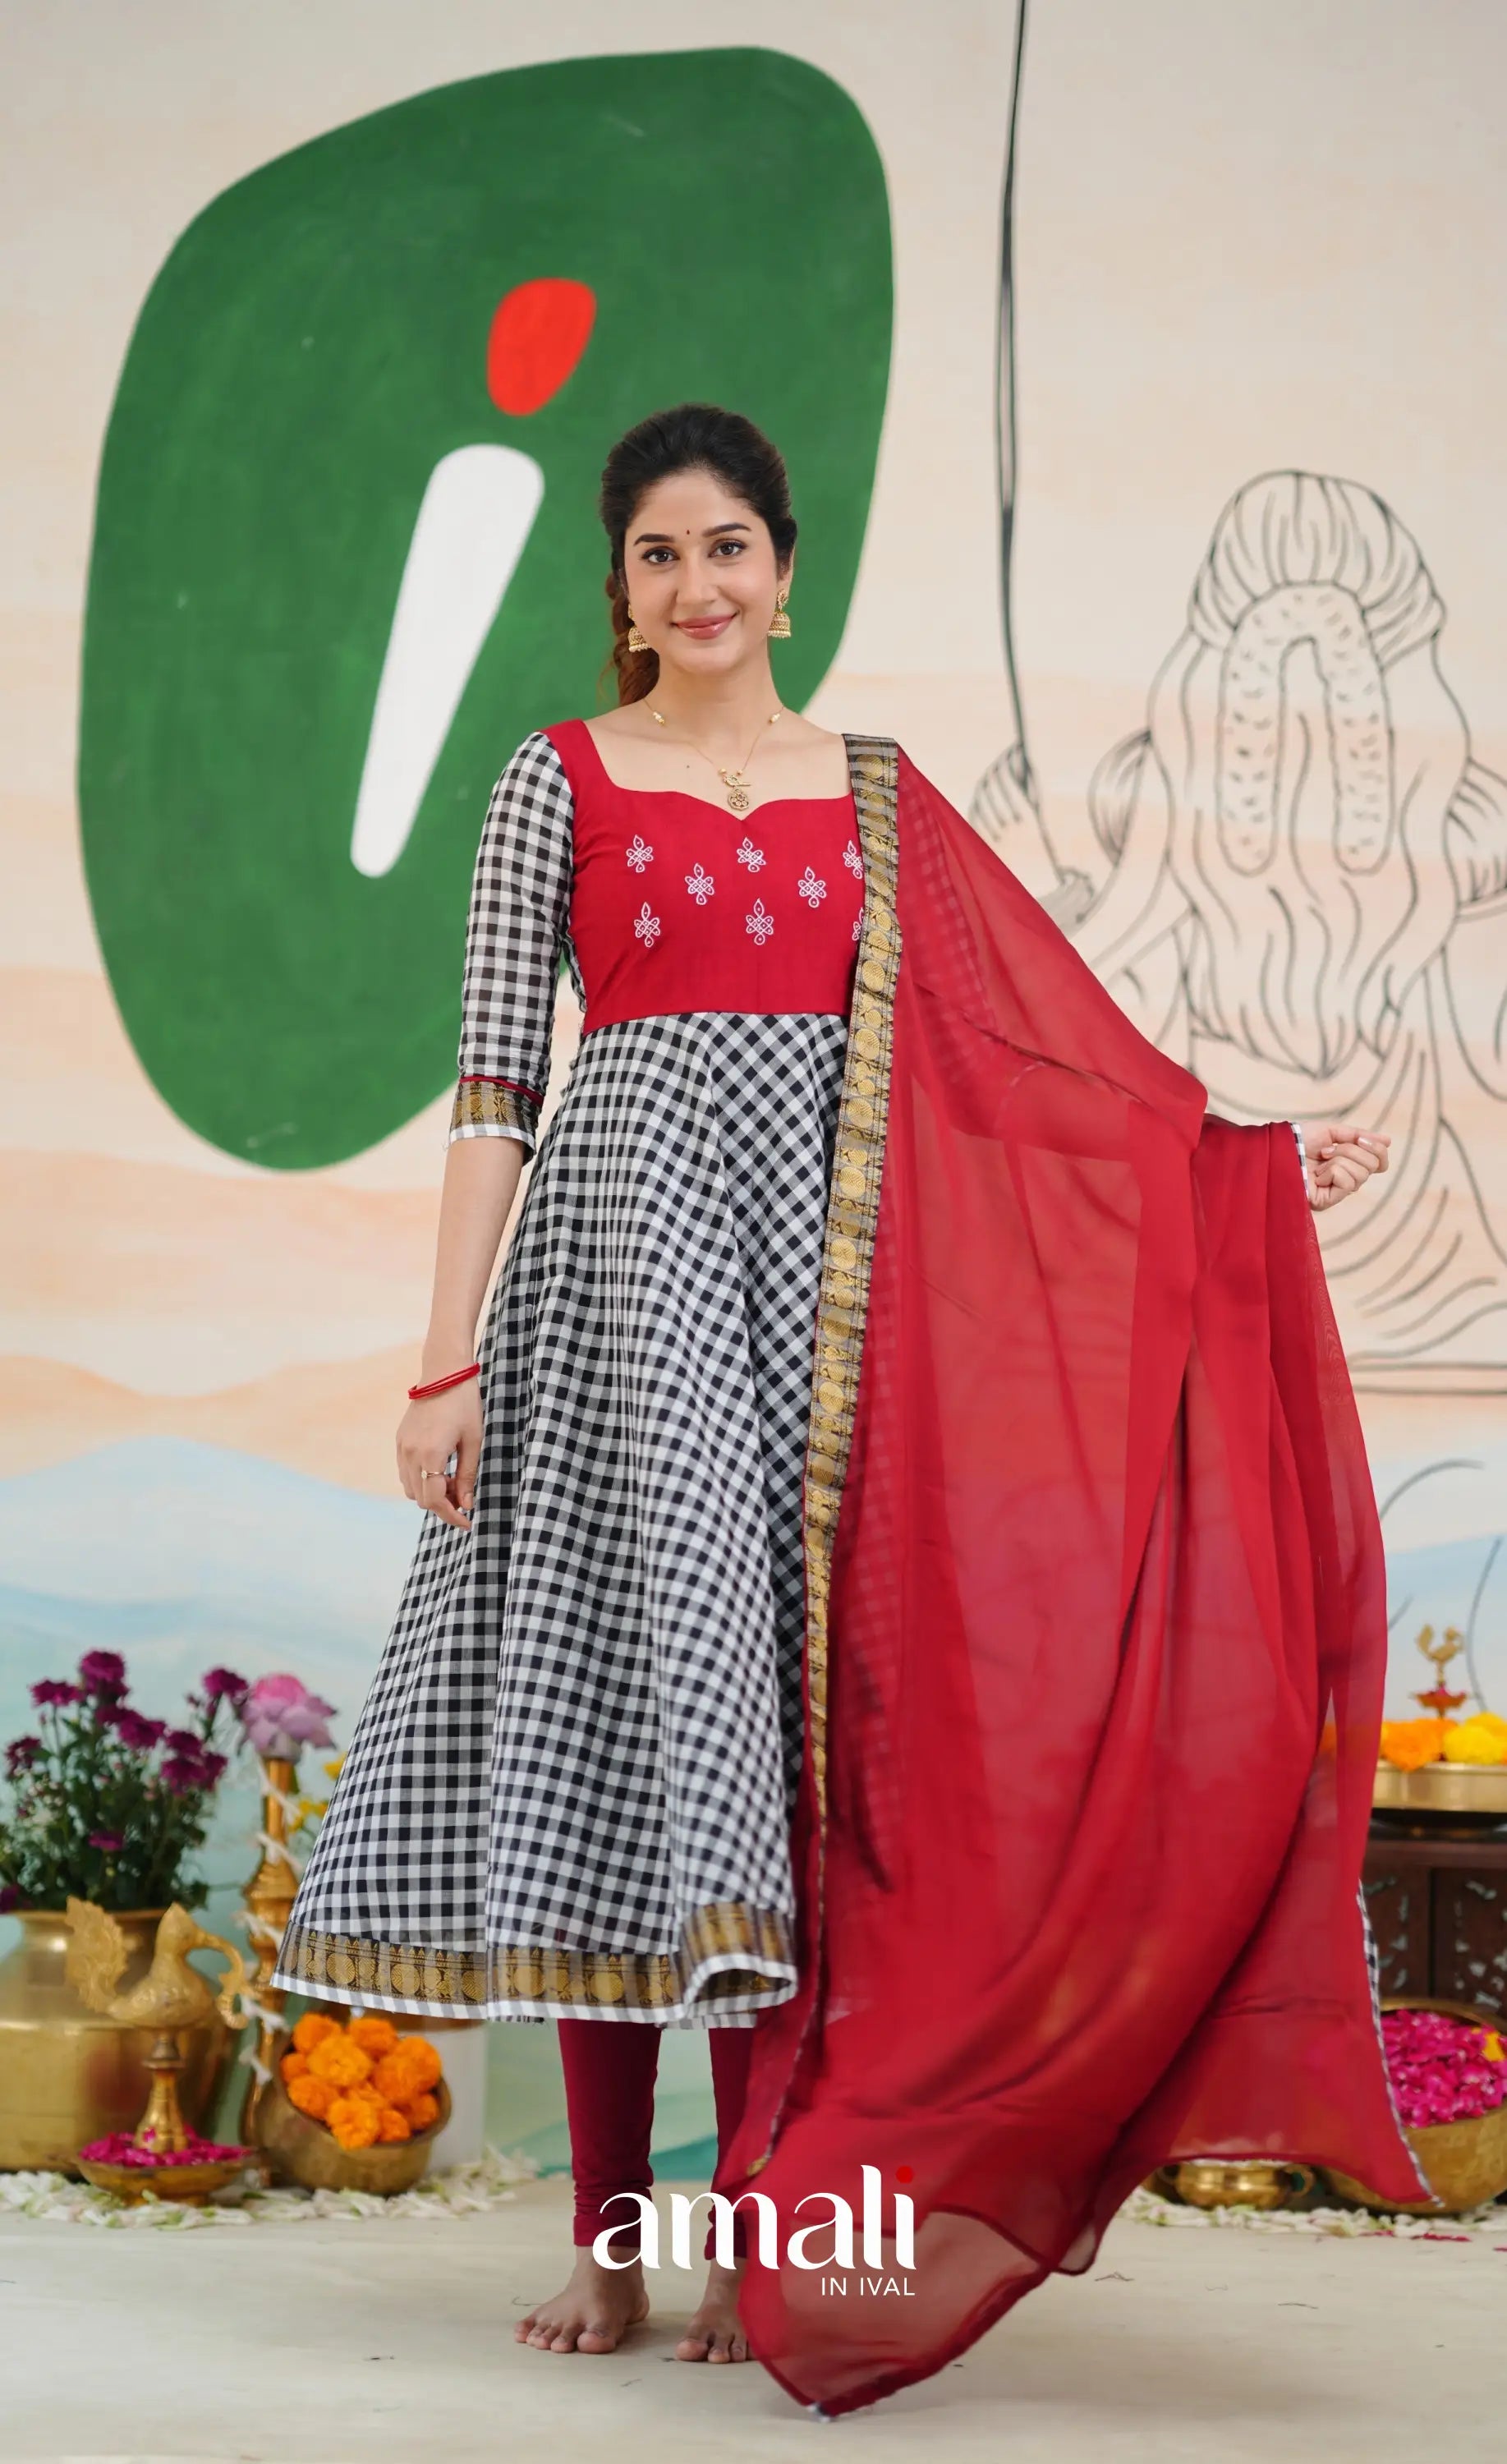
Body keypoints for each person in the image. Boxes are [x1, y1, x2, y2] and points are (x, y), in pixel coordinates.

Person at [273, 402, 1417, 2416]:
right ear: (622, 590)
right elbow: (492, 1088)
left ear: (785, 571)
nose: (697, 584)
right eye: (658, 554)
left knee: (796, 1783)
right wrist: (446, 1364)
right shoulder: (558, 780)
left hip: (830, 1332)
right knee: (639, 1751)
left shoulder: (879, 798)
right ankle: (612, 2243)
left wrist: (1225, 1161)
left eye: (728, 547)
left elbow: (1034, 1059)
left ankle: (759, 2241)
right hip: (618, 1314)